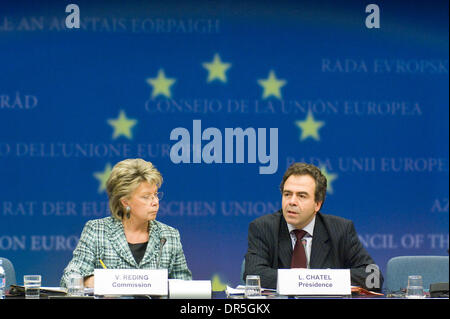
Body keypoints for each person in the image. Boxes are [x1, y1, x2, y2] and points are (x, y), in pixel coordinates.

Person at [244, 162, 383, 291]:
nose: (292, 202)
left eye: (301, 196)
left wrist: (324, 279)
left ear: (317, 204)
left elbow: (374, 277)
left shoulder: (341, 229)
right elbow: (253, 274)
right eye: (287, 194)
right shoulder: (263, 227)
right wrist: (306, 280)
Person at [61, 158, 192, 287]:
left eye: (156, 194)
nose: (155, 202)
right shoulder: (97, 231)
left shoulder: (169, 236)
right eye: (146, 197)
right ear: (125, 202)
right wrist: (99, 282)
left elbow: (187, 287)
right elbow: (69, 279)